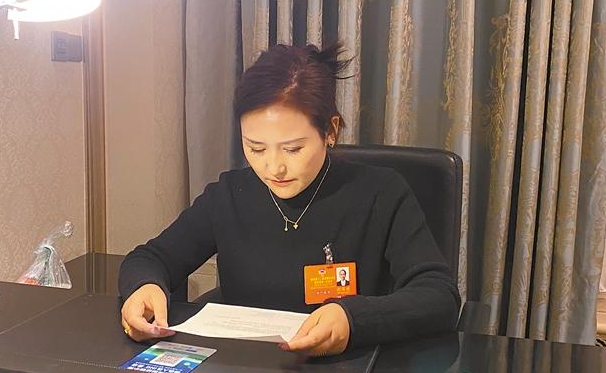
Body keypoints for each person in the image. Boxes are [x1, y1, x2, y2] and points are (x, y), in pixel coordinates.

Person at [119, 43, 460, 356]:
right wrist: (145, 287)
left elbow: (438, 296)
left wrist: (352, 318)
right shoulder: (229, 195)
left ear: (330, 131)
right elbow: (150, 258)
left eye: (293, 149)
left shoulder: (380, 193)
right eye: (256, 148)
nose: (274, 167)